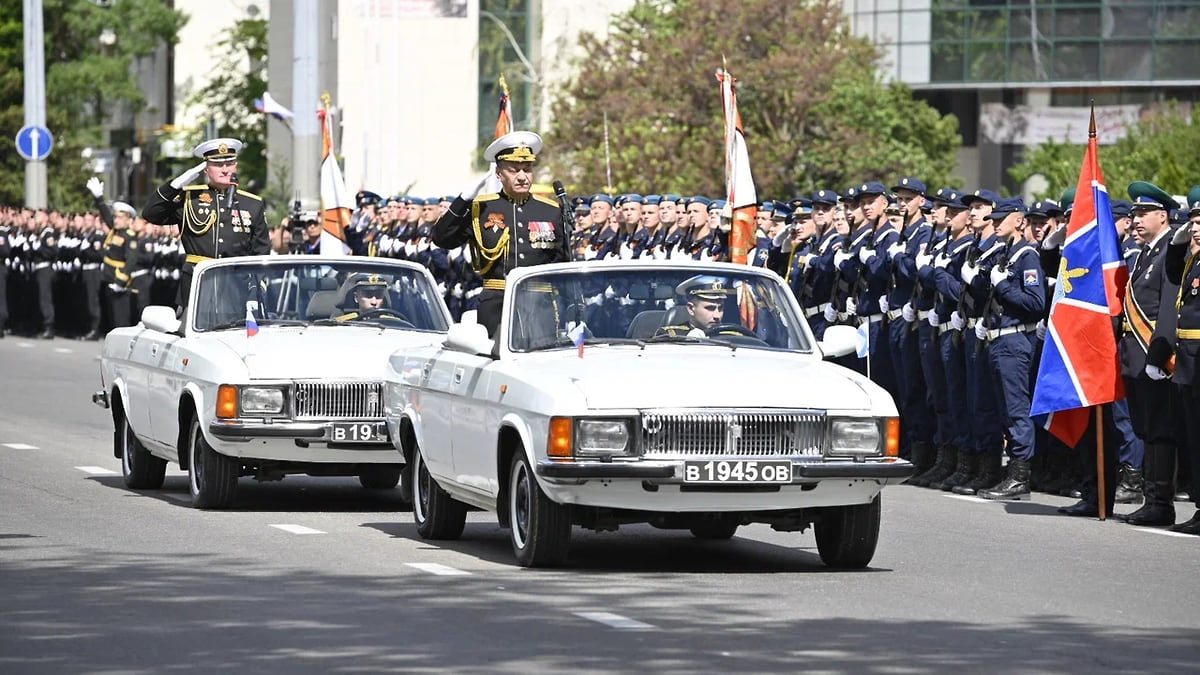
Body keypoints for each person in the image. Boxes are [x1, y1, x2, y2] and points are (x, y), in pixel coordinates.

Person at [431, 130, 567, 337]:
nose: (522, 176)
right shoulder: (481, 209)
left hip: (540, 305)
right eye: (514, 170)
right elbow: (442, 238)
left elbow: (563, 264)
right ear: (499, 174)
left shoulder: (550, 210)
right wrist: (463, 201)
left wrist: (572, 310)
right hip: (497, 304)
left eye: (527, 169)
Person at [1116, 181, 1185, 527]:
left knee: (1160, 429)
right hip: (1134, 352)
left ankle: (1160, 502)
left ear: (1163, 215)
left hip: (1152, 354)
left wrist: (1159, 355)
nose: (1136, 220)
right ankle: (1150, 497)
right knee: (1145, 427)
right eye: (1134, 214)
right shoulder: (1146, 252)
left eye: (1143, 214)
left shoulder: (1172, 251)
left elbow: (1170, 309)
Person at [142, 137, 271, 310]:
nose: (225, 169)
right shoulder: (189, 198)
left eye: (230, 163)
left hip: (236, 289)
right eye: (218, 165)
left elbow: (261, 254)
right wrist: (174, 186)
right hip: (197, 286)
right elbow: (151, 214)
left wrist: (256, 292)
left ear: (236, 166)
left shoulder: (252, 204)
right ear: (206, 169)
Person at [656, 275, 734, 336]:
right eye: (710, 308)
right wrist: (685, 343)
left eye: (720, 308)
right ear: (691, 309)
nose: (717, 316)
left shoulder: (731, 336)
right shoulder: (670, 336)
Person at [332, 273, 405, 322]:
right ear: (356, 297)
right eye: (368, 295)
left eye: (378, 296)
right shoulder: (344, 323)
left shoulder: (393, 323)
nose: (374, 302)